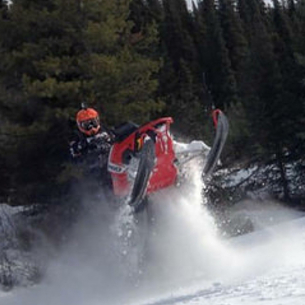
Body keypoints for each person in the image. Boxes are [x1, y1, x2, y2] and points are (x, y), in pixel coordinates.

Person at [69, 105, 114, 189]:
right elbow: (74, 158)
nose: (92, 128)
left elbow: (116, 137)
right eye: (87, 125)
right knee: (102, 182)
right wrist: (86, 148)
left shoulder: (106, 130)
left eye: (93, 123)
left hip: (113, 160)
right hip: (97, 169)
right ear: (80, 126)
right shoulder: (78, 139)